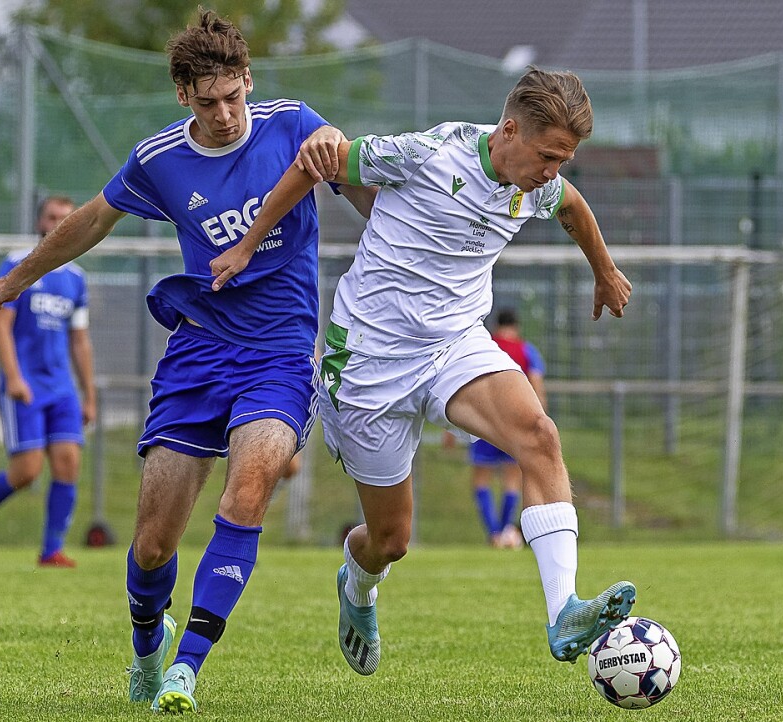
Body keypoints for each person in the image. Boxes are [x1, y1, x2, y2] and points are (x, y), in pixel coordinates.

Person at [0, 9, 374, 715]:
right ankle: (150, 647)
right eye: (208, 101)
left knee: (247, 492)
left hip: (279, 354)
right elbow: (92, 218)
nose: (224, 114)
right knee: (153, 545)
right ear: (183, 95)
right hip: (198, 354)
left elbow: (366, 190)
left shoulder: (291, 123)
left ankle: (187, 669)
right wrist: (13, 282)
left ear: (249, 80)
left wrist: (361, 168)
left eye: (234, 96)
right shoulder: (160, 160)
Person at [211, 67, 636, 675]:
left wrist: (604, 269)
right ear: (509, 129)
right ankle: (357, 584)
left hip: (453, 345)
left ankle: (563, 610)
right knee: (390, 542)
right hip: (367, 364)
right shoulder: (425, 154)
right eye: (547, 156)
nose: (552, 172)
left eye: (563, 159)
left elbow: (571, 206)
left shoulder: (538, 184)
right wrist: (249, 244)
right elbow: (317, 165)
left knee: (539, 437)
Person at [0, 195, 96, 569]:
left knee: (68, 464)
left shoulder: (76, 279)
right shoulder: (17, 264)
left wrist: (89, 395)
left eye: (68, 218)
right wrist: (14, 377)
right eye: (53, 217)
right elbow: (1, 325)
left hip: (62, 388)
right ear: (40, 222)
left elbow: (79, 341)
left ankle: (51, 551)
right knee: (27, 470)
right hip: (26, 385)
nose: (59, 224)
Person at [445, 308, 548, 549]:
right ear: (517, 326)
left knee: (481, 480)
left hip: (486, 422)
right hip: (516, 423)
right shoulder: (526, 350)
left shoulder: (485, 347)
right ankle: (505, 532)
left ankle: (493, 533)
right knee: (512, 480)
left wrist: (448, 429)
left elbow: (460, 383)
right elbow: (536, 386)